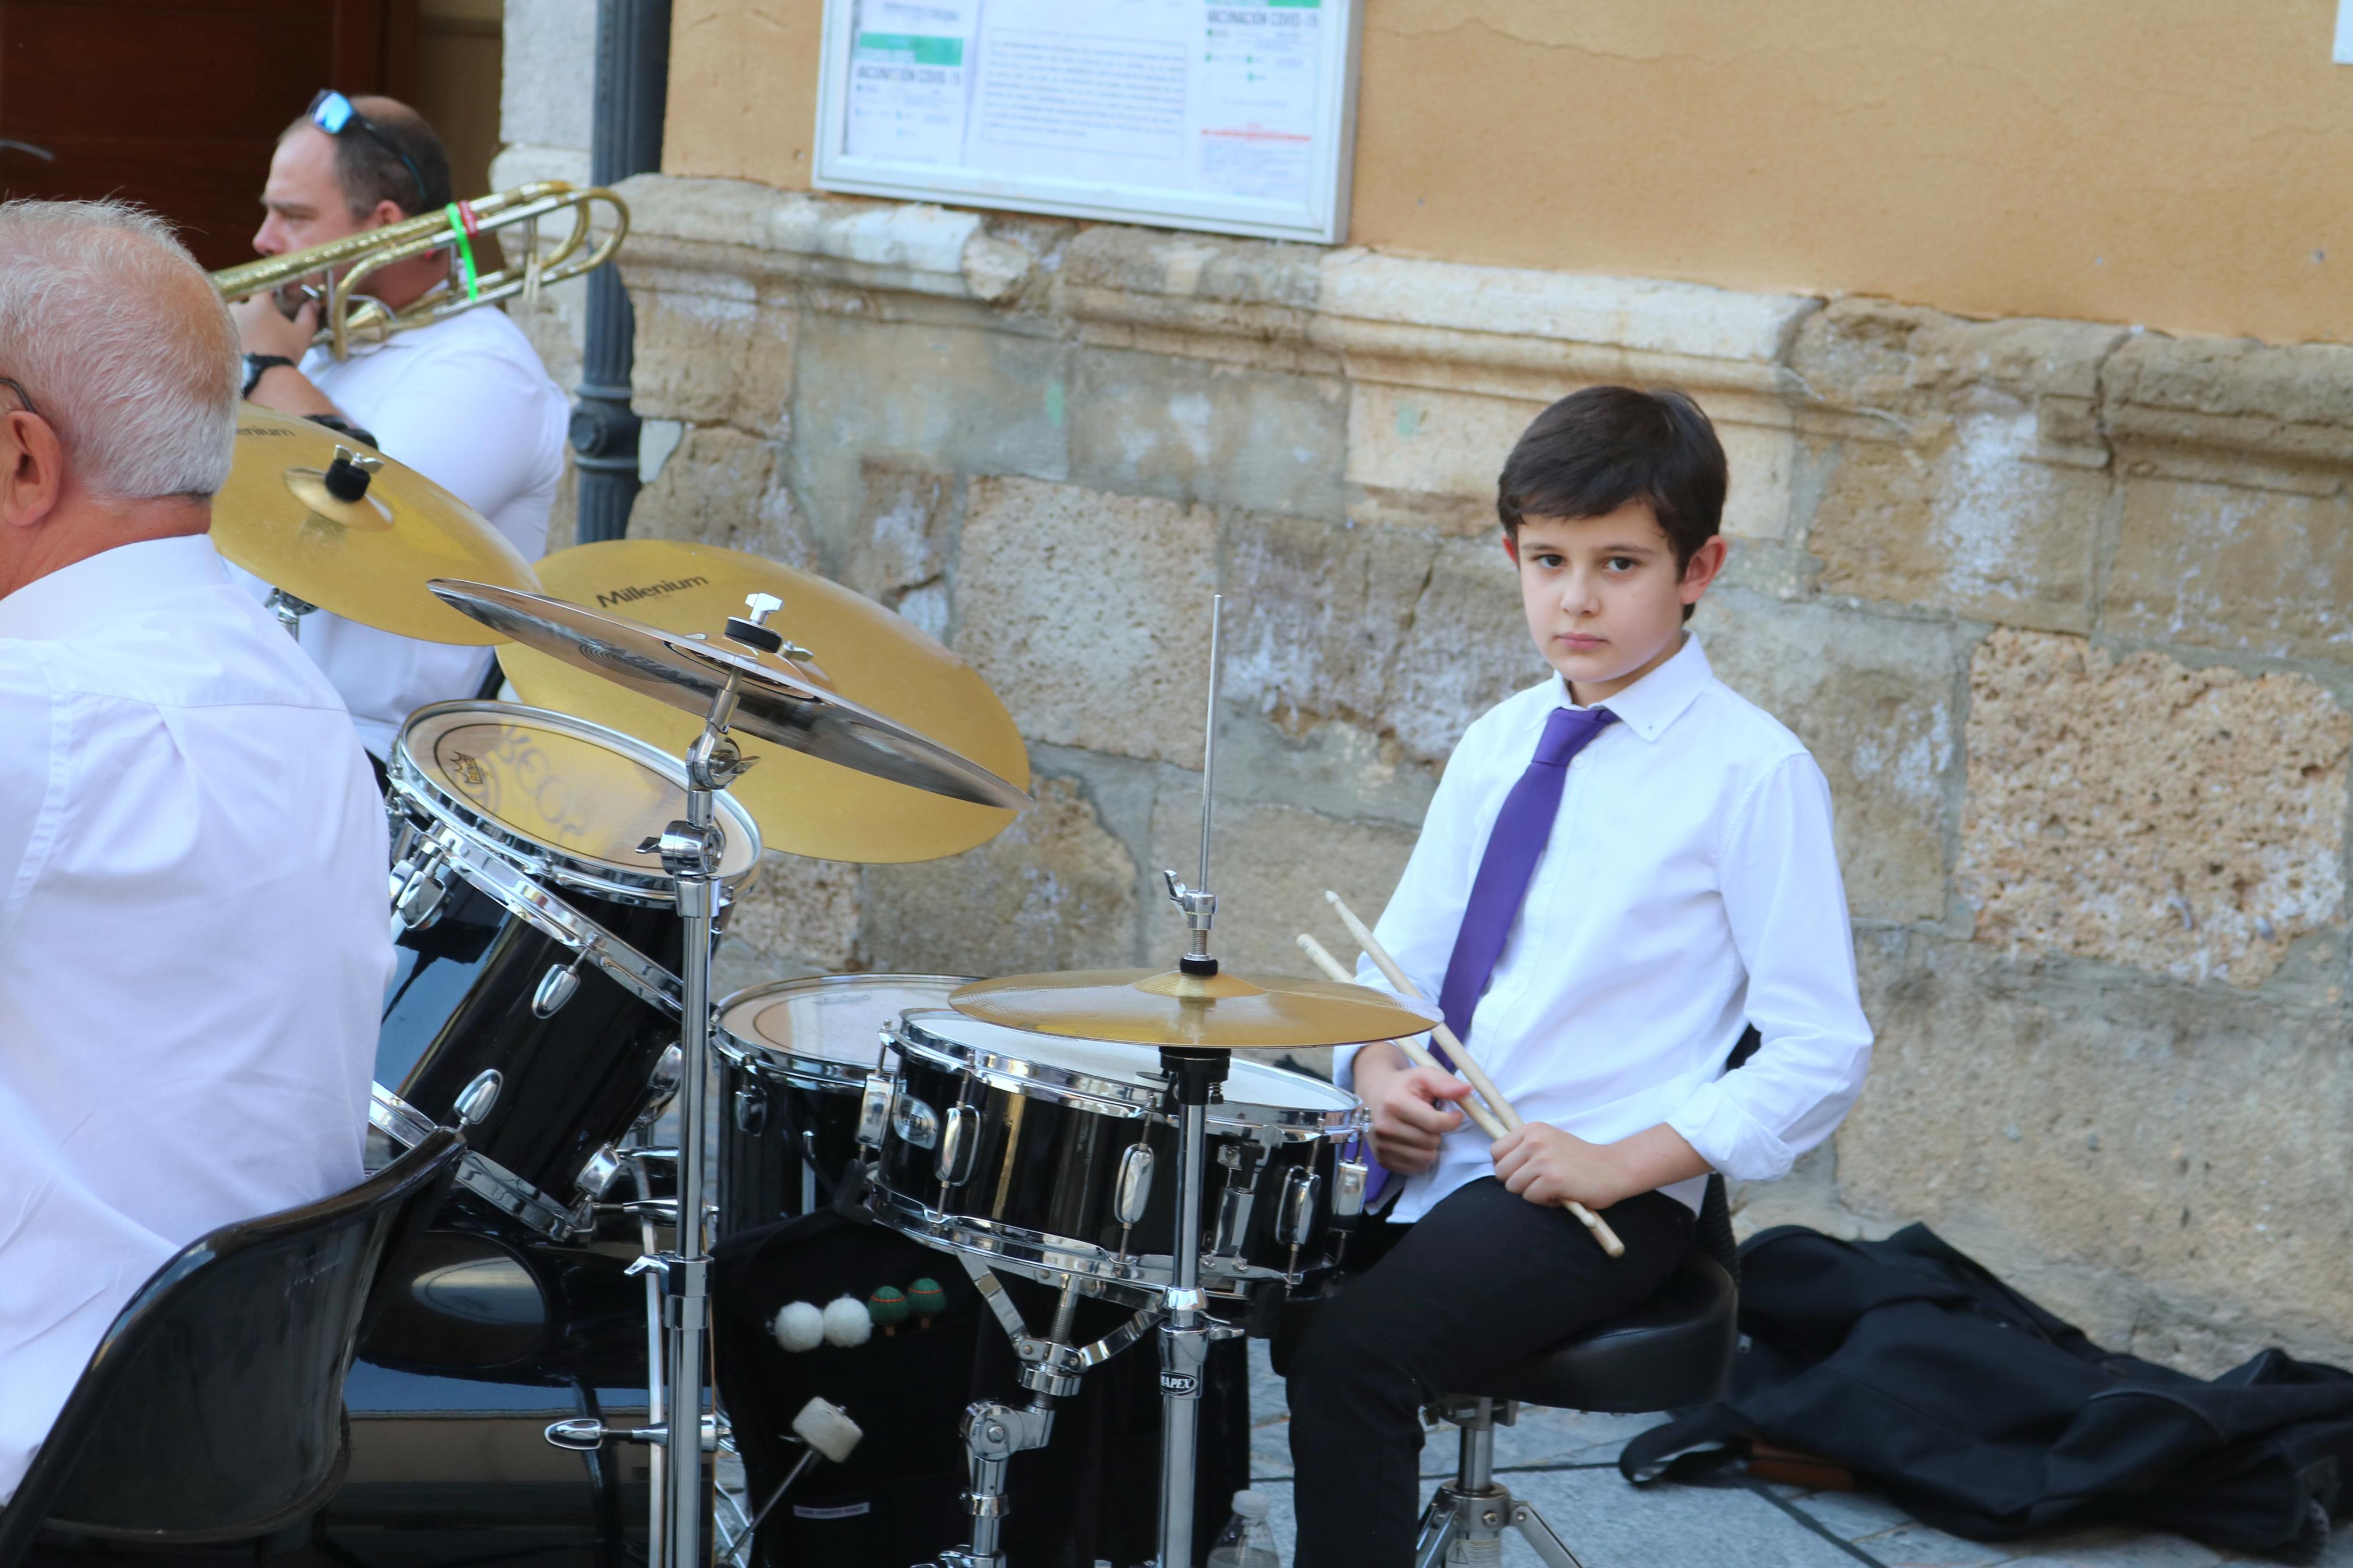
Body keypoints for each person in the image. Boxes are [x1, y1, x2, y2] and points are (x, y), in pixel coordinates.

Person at [1283, 386, 1875, 1563]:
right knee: (1164, 1266)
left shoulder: (1753, 774)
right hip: (1432, 1152)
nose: (1575, 598)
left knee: (1356, 1352)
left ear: (1697, 567)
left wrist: (1617, 1162)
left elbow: (1821, 1049)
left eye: (1618, 563)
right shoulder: (1500, 738)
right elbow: (1383, 966)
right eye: (1547, 560)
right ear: (1509, 554)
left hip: (1599, 1186)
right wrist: (1374, 1073)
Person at [0, 200, 391, 1501]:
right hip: (217, 1430)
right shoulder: (300, 698)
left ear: (19, 458)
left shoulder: (41, 711)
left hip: (44, 1419)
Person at [232, 90, 569, 764]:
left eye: (293, 216)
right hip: (256, 717)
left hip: (369, 750)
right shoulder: (323, 343)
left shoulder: (486, 365)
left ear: (383, 225)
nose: (263, 242)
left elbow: (364, 530)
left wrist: (261, 365)